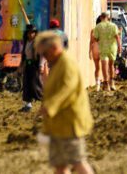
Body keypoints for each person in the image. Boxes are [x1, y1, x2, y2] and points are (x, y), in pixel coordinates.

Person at [35, 31, 94, 174]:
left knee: (77, 161)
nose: (44, 58)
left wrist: (50, 106)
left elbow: (67, 89)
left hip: (70, 123)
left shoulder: (67, 63)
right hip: (57, 125)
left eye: (45, 53)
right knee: (60, 165)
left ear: (54, 48)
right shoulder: (56, 64)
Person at [91, 13, 121, 91]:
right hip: (112, 48)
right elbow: (117, 37)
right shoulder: (114, 26)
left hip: (103, 48)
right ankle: (112, 83)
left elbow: (94, 39)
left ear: (101, 18)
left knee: (104, 66)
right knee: (111, 65)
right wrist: (120, 47)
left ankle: (106, 84)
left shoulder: (98, 27)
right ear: (108, 17)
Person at [20, 25, 47, 112]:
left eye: (32, 32)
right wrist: (21, 65)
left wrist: (41, 65)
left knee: (36, 85)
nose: (31, 34)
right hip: (28, 65)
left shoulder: (38, 43)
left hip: (35, 66)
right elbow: (24, 55)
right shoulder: (26, 42)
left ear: (35, 33)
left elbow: (42, 55)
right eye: (29, 32)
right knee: (26, 84)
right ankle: (28, 104)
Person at [89, 16, 102, 90]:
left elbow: (91, 42)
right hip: (103, 49)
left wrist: (89, 52)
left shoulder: (93, 30)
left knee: (97, 67)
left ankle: (98, 83)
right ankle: (104, 82)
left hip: (95, 49)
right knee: (104, 67)